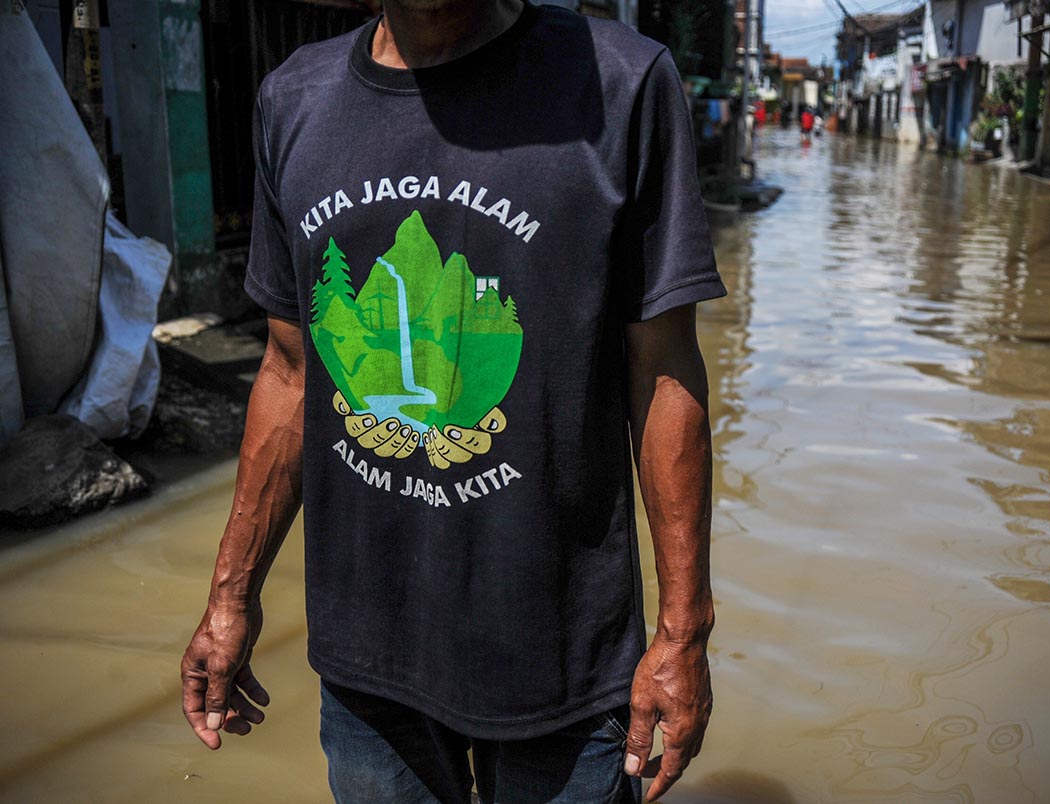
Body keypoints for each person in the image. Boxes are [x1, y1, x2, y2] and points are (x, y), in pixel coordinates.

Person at [179, 2, 724, 803]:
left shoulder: (621, 84)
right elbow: (291, 373)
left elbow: (664, 373)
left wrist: (683, 634)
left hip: (560, 665)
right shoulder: (294, 100)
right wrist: (230, 596)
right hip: (369, 668)